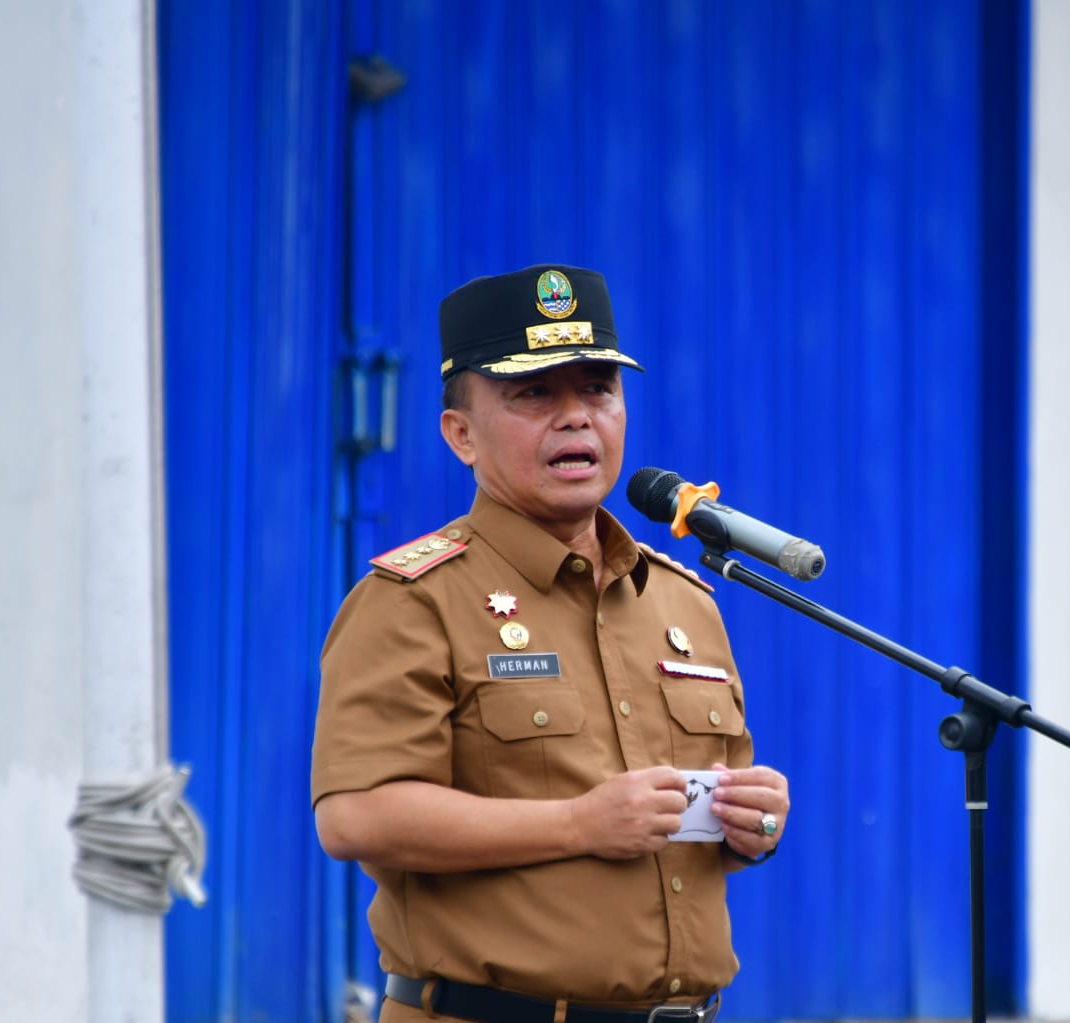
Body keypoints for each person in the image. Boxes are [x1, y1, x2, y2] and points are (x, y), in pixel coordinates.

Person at [311, 264, 790, 1023]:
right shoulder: (413, 602)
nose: (577, 418)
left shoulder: (682, 599)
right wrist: (579, 823)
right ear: (460, 433)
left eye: (598, 389)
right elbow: (357, 816)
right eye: (534, 394)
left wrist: (752, 824)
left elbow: (701, 823)